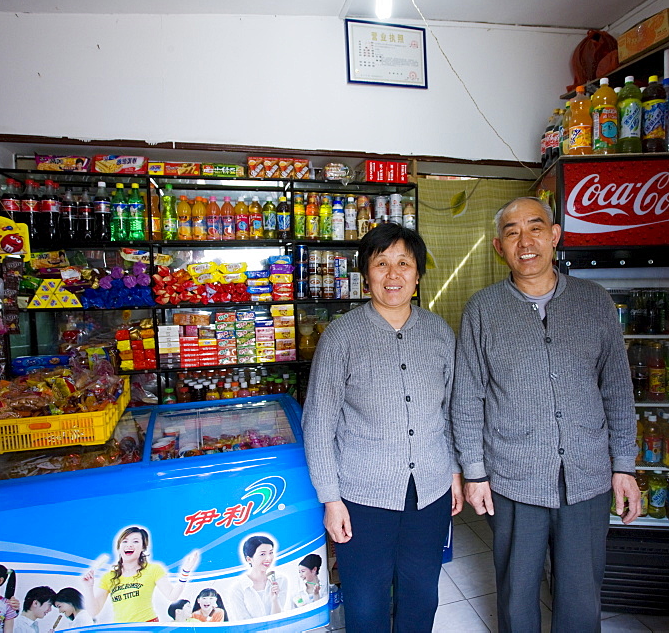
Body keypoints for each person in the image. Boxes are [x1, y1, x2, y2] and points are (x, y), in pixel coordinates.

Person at [451, 196, 640, 633]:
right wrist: (475, 473)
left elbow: (616, 389)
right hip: (514, 477)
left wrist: (624, 465)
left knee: (580, 595)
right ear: (499, 247)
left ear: (555, 236)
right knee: (517, 596)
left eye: (535, 227)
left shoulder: (595, 303)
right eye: (512, 232)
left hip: (588, 474)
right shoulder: (483, 309)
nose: (525, 240)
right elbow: (467, 398)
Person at [302, 223, 464, 632]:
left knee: (422, 594)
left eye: (403, 264)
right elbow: (318, 423)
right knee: (365, 600)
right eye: (381, 263)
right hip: (362, 496)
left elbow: (451, 412)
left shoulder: (439, 332)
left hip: (430, 493)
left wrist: (455, 473)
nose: (393, 275)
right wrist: (331, 498)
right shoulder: (341, 336)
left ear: (418, 274)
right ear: (365, 274)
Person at [82, 525, 194, 623]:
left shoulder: (153, 569)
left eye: (135, 541)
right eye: (125, 541)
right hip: (121, 628)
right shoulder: (109, 577)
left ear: (143, 547)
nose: (129, 545)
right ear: (119, 547)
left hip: (147, 625)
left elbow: (172, 596)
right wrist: (88, 587)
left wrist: (185, 572)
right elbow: (93, 611)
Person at [227, 535, 288, 620]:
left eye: (271, 553)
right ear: (249, 559)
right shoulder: (238, 588)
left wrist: (274, 600)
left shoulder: (280, 580)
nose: (268, 558)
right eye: (262, 554)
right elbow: (243, 623)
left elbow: (279, 619)